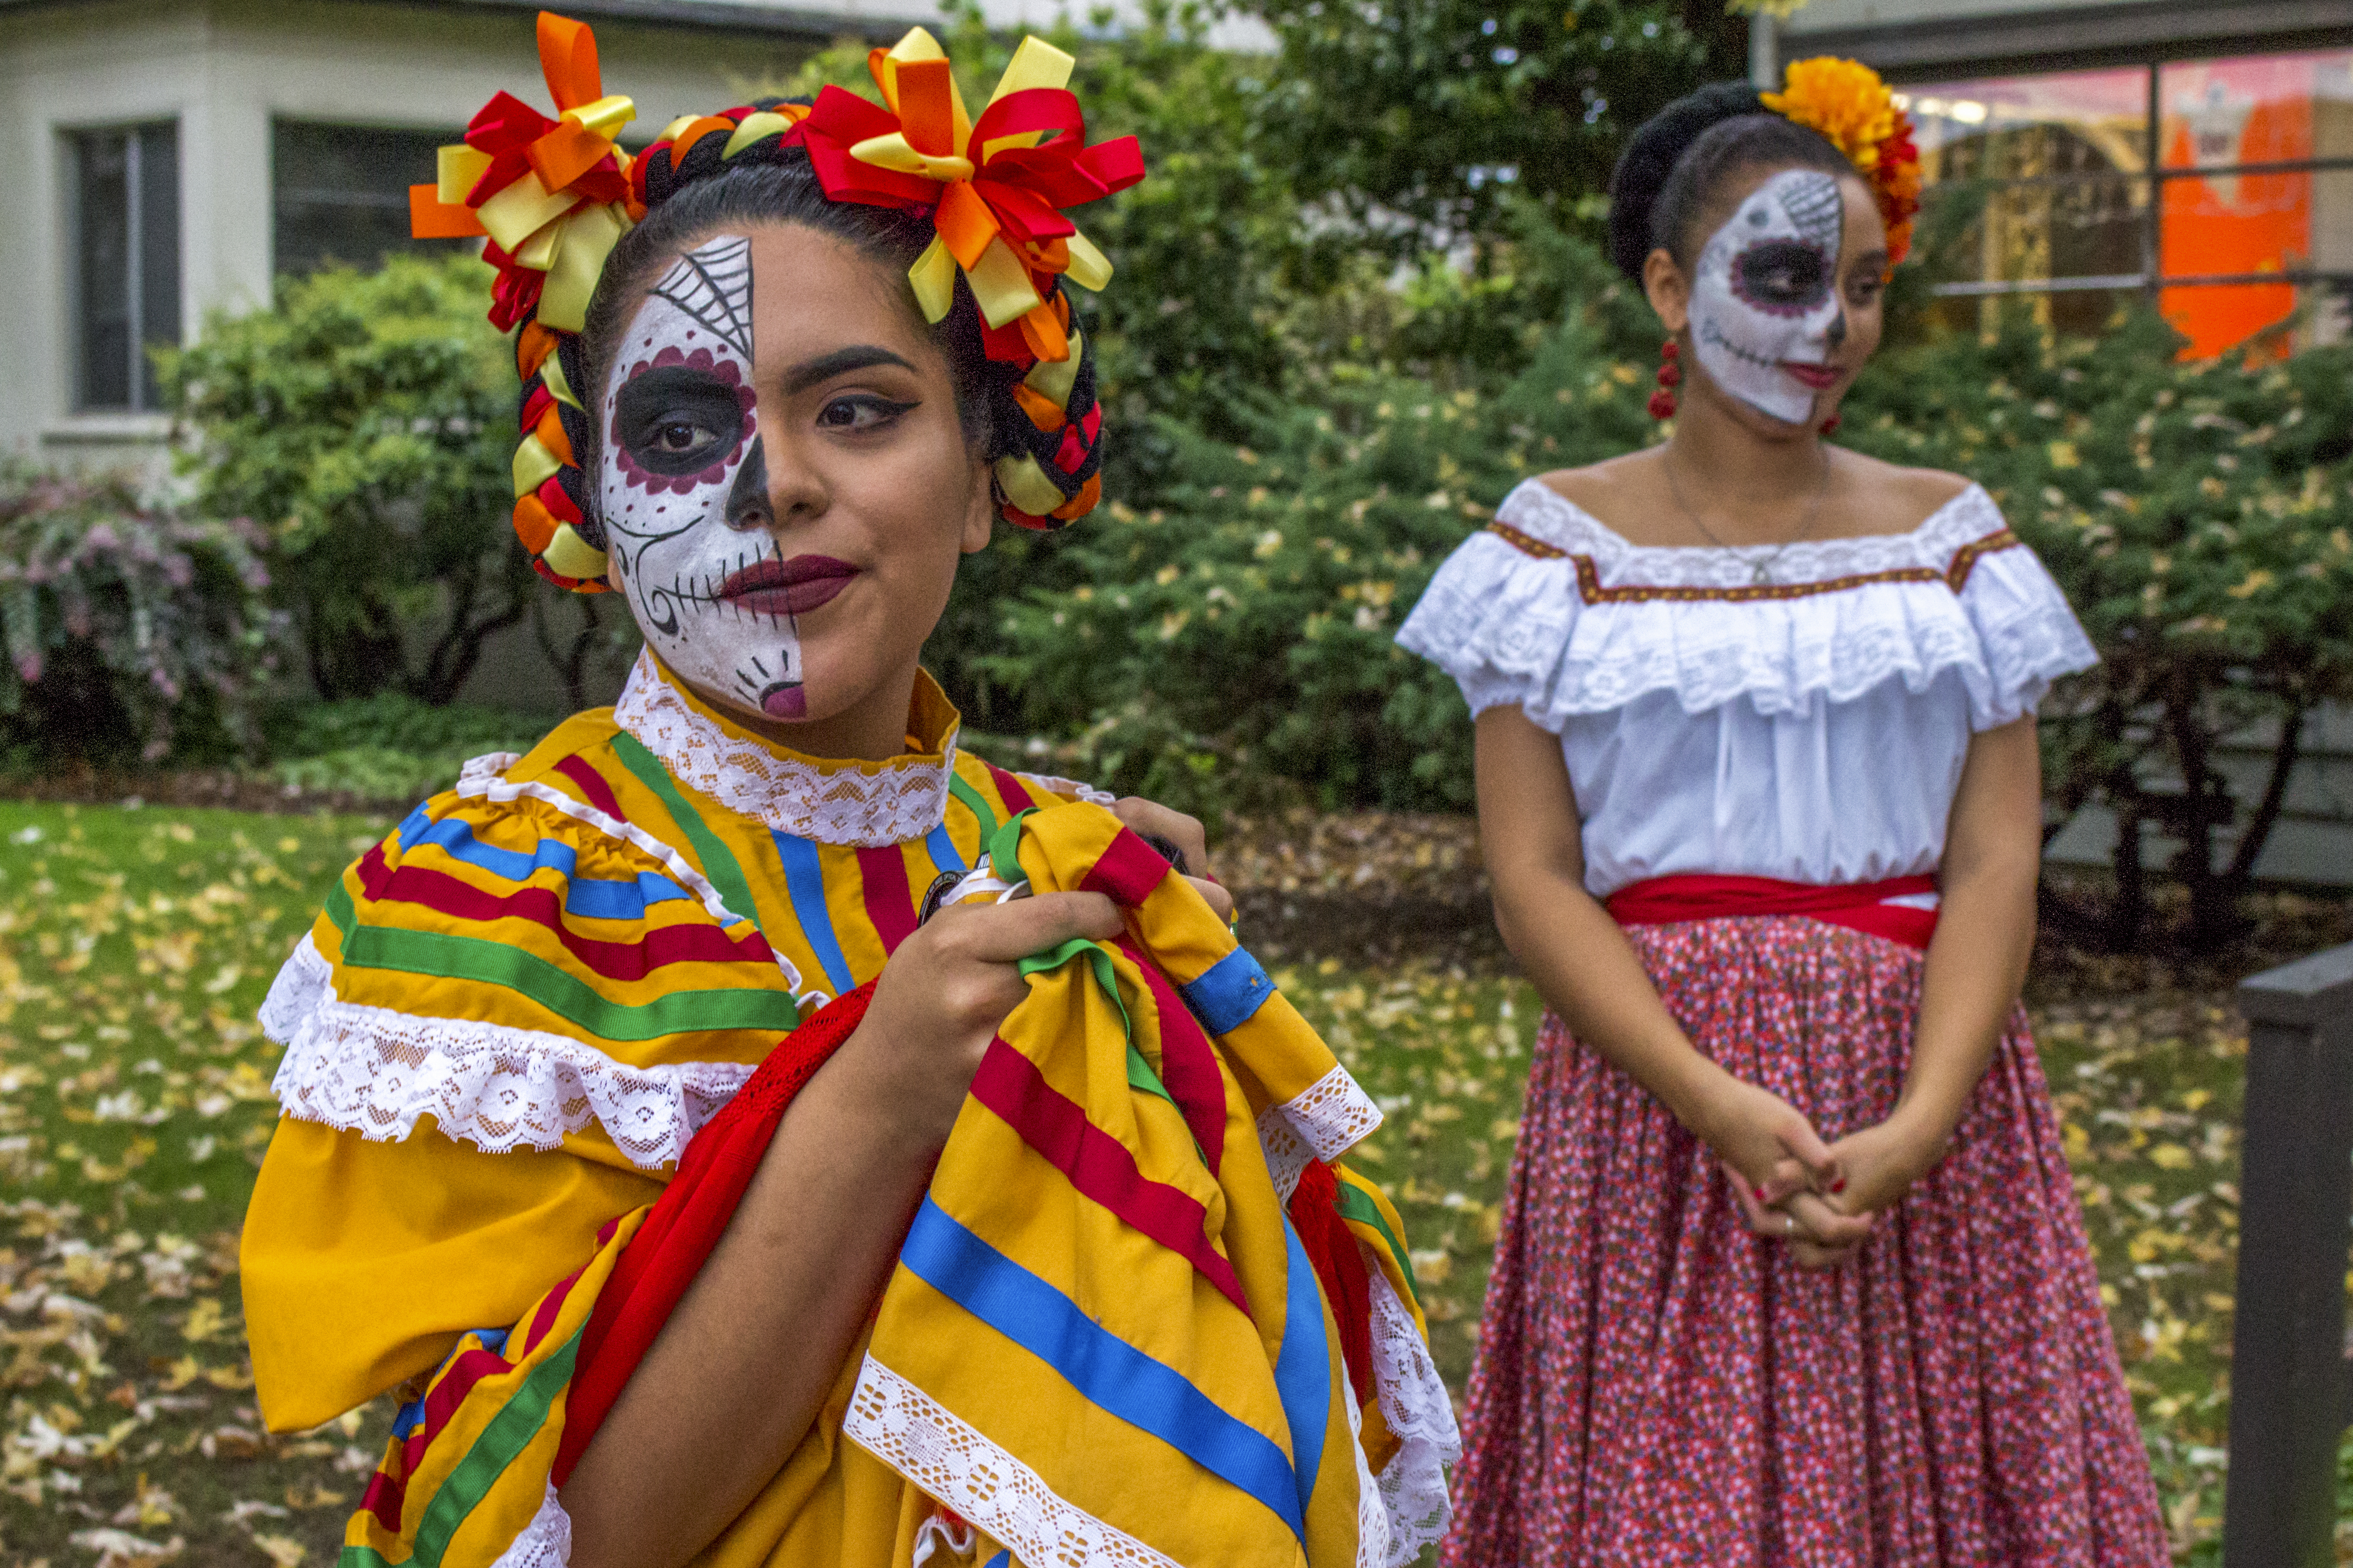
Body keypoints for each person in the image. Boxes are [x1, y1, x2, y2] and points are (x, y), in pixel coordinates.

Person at [241, 15, 1454, 1568]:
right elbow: (578, 1533)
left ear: (985, 476)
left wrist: (1153, 1037)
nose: (778, 485)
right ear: (597, 511)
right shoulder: (508, 903)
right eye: (682, 432)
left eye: (859, 409)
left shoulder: (1047, 860)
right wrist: (882, 1095)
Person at [1394, 61, 2169, 1566]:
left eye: (1868, 284)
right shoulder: (1550, 555)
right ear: (1673, 289)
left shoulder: (1952, 544)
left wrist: (1924, 1123)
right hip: (1653, 1120)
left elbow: (1999, 856)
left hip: (1923, 1117)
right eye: (1789, 275)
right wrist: (1709, 1099)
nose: (1836, 324)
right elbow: (1533, 880)